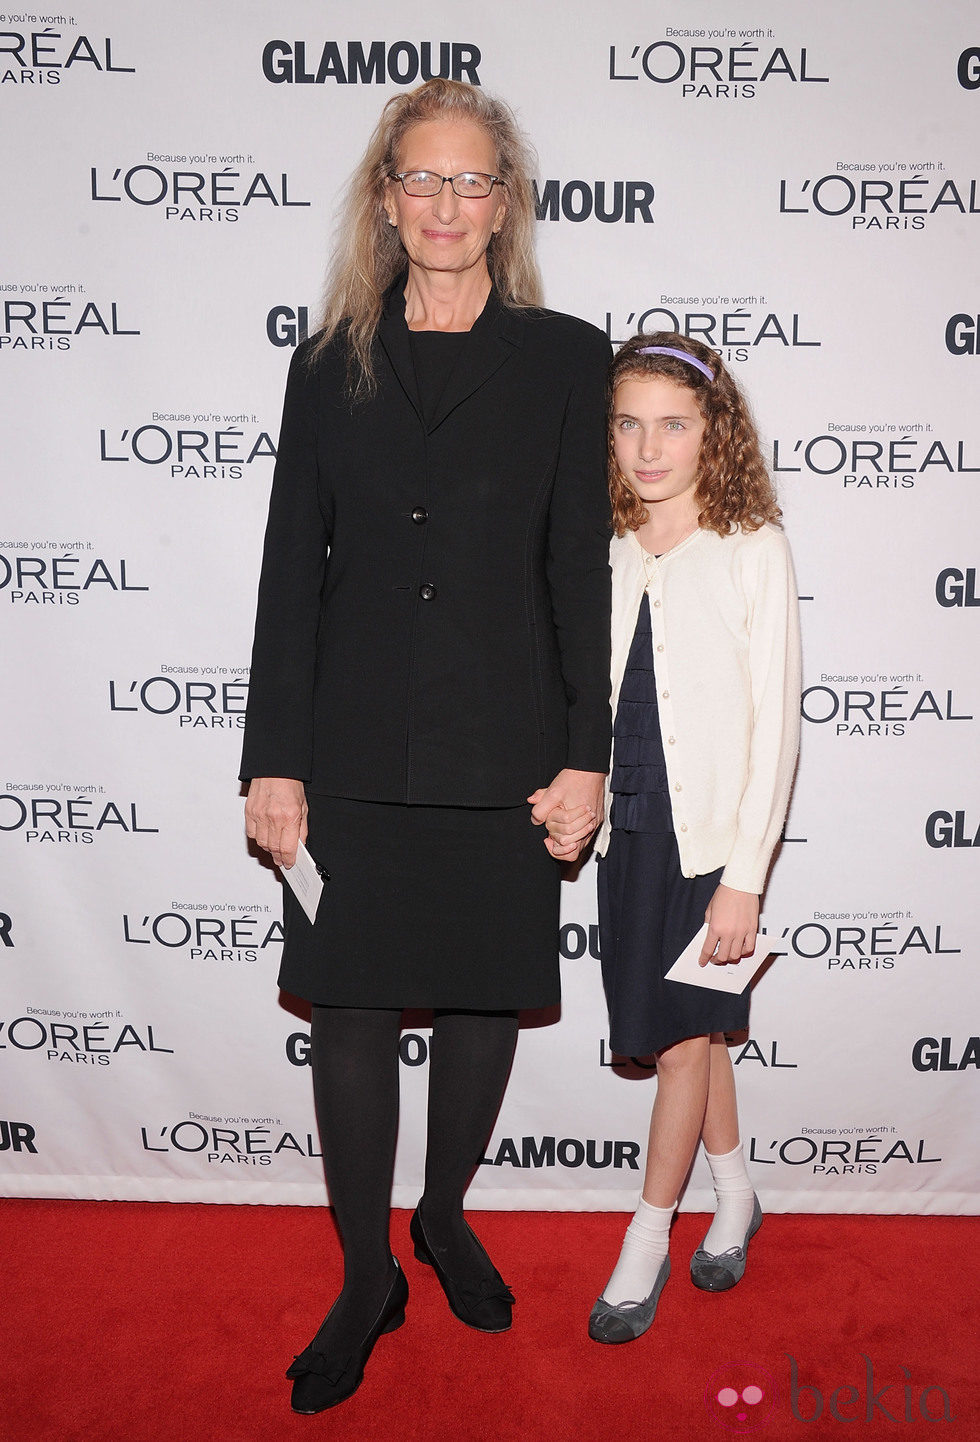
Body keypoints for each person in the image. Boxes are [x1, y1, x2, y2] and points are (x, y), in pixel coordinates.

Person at [239, 78, 611, 1411]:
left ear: (503, 203)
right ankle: (361, 1272)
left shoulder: (568, 356)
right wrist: (270, 753)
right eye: (423, 179)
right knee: (345, 1009)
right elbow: (291, 571)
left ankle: (445, 1212)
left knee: (476, 1000)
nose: (447, 205)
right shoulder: (327, 357)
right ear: (386, 198)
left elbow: (578, 569)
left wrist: (586, 750)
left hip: (503, 742)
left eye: (474, 182)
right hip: (344, 745)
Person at [547, 332, 801, 1343]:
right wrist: (574, 799)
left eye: (672, 423)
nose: (647, 447)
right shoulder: (601, 544)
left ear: (712, 429)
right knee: (694, 1033)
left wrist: (743, 878)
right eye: (626, 423)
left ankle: (646, 1235)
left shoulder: (751, 544)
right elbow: (586, 705)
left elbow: (774, 726)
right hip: (634, 837)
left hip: (713, 851)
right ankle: (734, 1191)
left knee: (681, 1046)